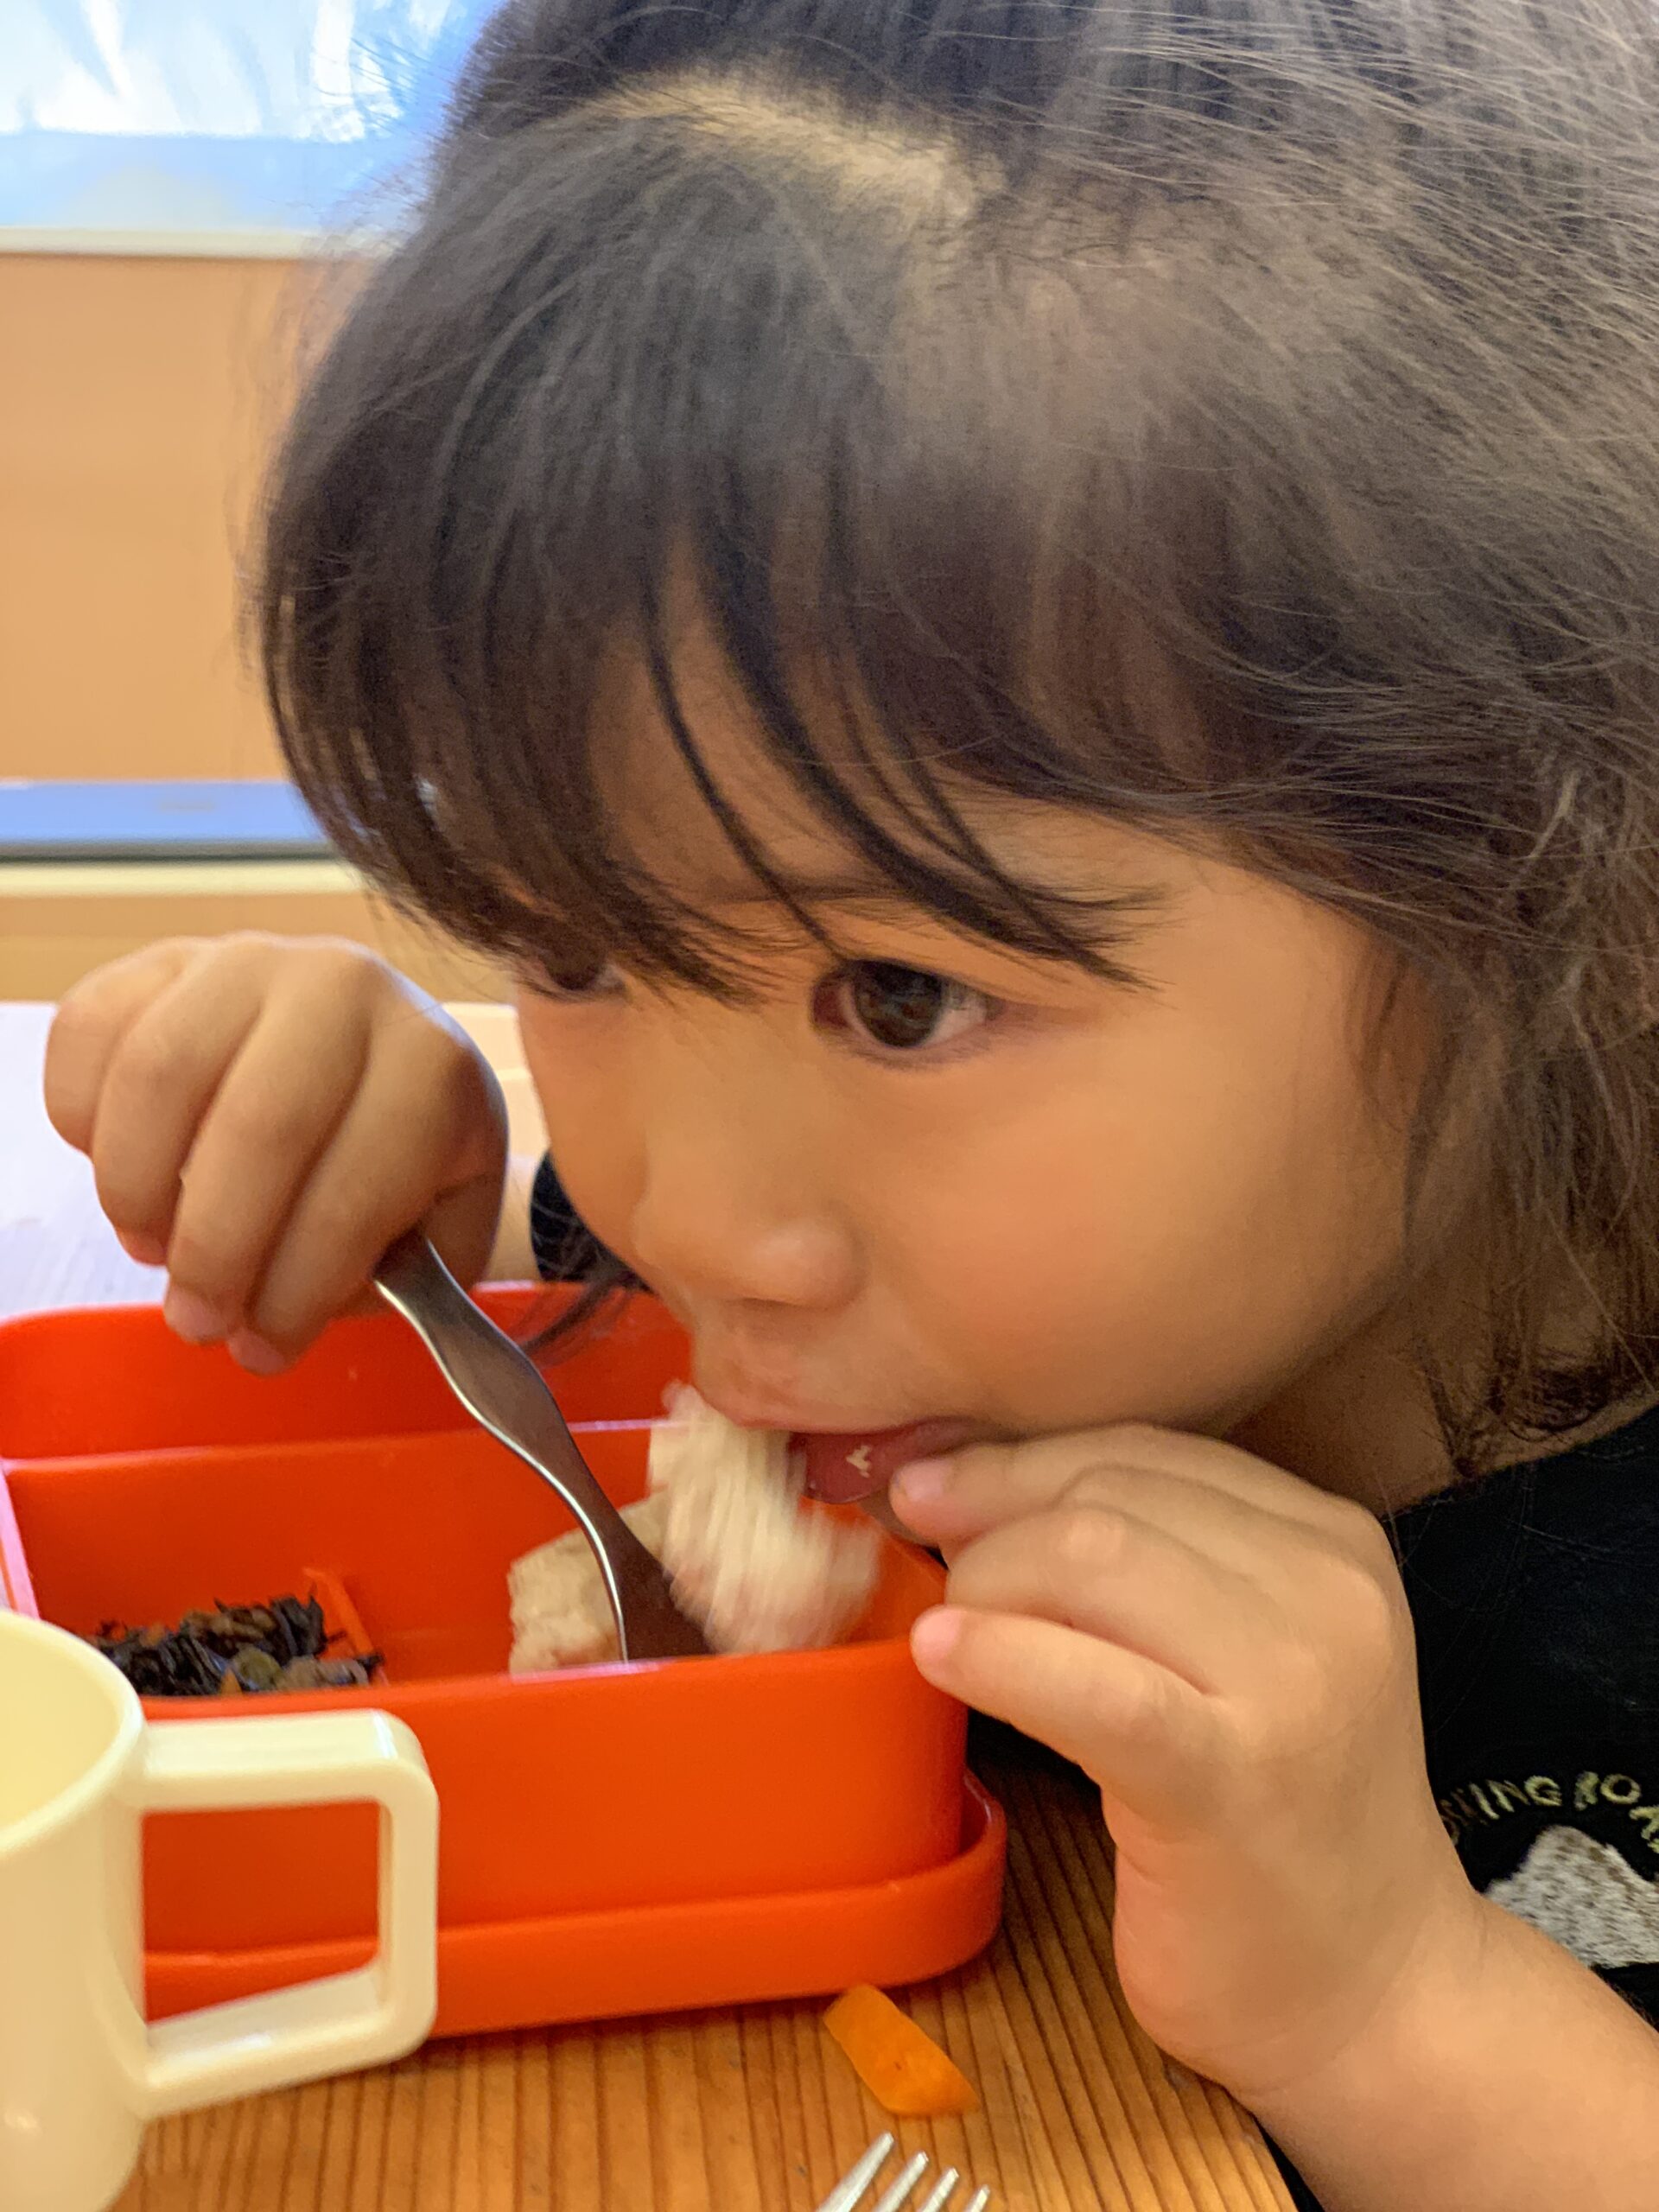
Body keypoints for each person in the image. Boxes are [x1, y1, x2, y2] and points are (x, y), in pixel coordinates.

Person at [41, 2, 1659, 2199]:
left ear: (1565, 887)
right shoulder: (831, 1256)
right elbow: (578, 1261)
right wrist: (397, 1166)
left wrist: (1397, 2007)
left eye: (900, 996)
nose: (690, 1222)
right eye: (575, 946)